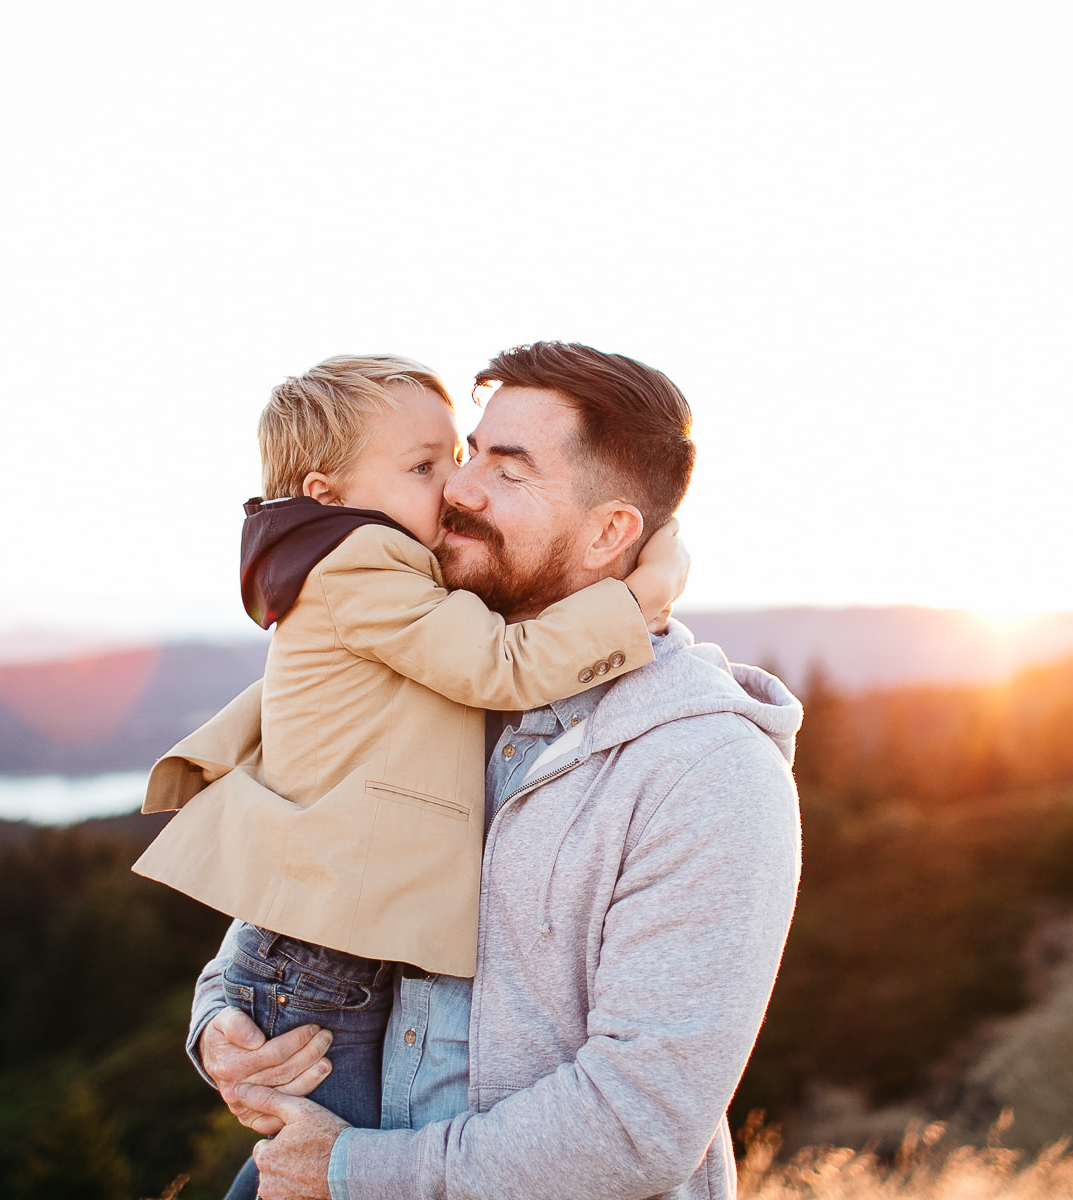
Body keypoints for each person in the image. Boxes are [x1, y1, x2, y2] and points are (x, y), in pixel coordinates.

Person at [187, 342, 802, 1200]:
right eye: (465, 454)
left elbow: (639, 1125)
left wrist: (356, 1172)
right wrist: (222, 1019)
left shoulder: (704, 769)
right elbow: (310, 873)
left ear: (610, 532)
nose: (459, 488)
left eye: (507, 470)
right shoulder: (429, 674)